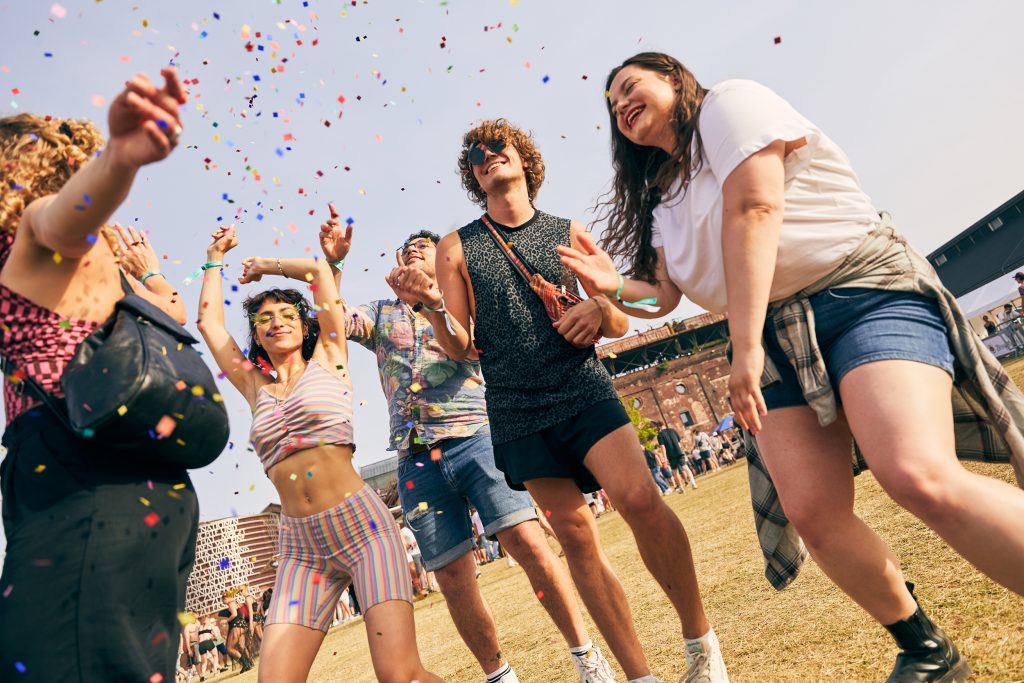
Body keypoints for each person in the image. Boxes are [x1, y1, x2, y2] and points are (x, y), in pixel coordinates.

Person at [560, 51, 1024, 682]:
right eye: (611, 105)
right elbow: (660, 299)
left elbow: (756, 210)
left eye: (628, 87)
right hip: (774, 331)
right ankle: (926, 649)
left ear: (674, 78)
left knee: (916, 472)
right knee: (812, 511)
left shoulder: (729, 105)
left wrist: (744, 348)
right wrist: (616, 286)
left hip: (859, 292)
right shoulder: (661, 191)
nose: (619, 105)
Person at [393, 117, 729, 683]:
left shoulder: (566, 230)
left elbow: (620, 316)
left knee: (639, 499)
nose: (486, 155)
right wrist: (430, 306)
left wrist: (599, 310)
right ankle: (638, 676)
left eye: (497, 145)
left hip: (581, 388)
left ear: (524, 158)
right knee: (575, 538)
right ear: (473, 177)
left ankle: (700, 643)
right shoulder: (456, 247)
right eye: (475, 154)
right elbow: (460, 347)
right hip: (517, 410)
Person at [319, 216, 619, 683]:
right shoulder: (380, 315)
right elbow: (331, 319)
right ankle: (498, 674)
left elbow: (474, 346)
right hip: (415, 456)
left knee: (528, 544)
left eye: (426, 246)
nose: (416, 250)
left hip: (476, 435)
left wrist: (436, 304)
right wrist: (334, 263)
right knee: (451, 576)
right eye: (410, 247)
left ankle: (585, 654)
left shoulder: (466, 309)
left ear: (444, 264)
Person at [0, 70, 205, 683]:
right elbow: (170, 320)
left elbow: (61, 216)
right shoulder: (106, 265)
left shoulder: (35, 232)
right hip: (141, 483)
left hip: (80, 477)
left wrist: (120, 157)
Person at [195, 225, 442, 683]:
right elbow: (209, 325)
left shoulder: (331, 356)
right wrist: (214, 258)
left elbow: (316, 272)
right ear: (256, 336)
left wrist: (265, 268)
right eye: (263, 318)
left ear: (306, 325)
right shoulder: (255, 387)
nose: (276, 321)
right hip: (299, 547)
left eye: (287, 313)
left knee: (399, 674)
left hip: (363, 530)